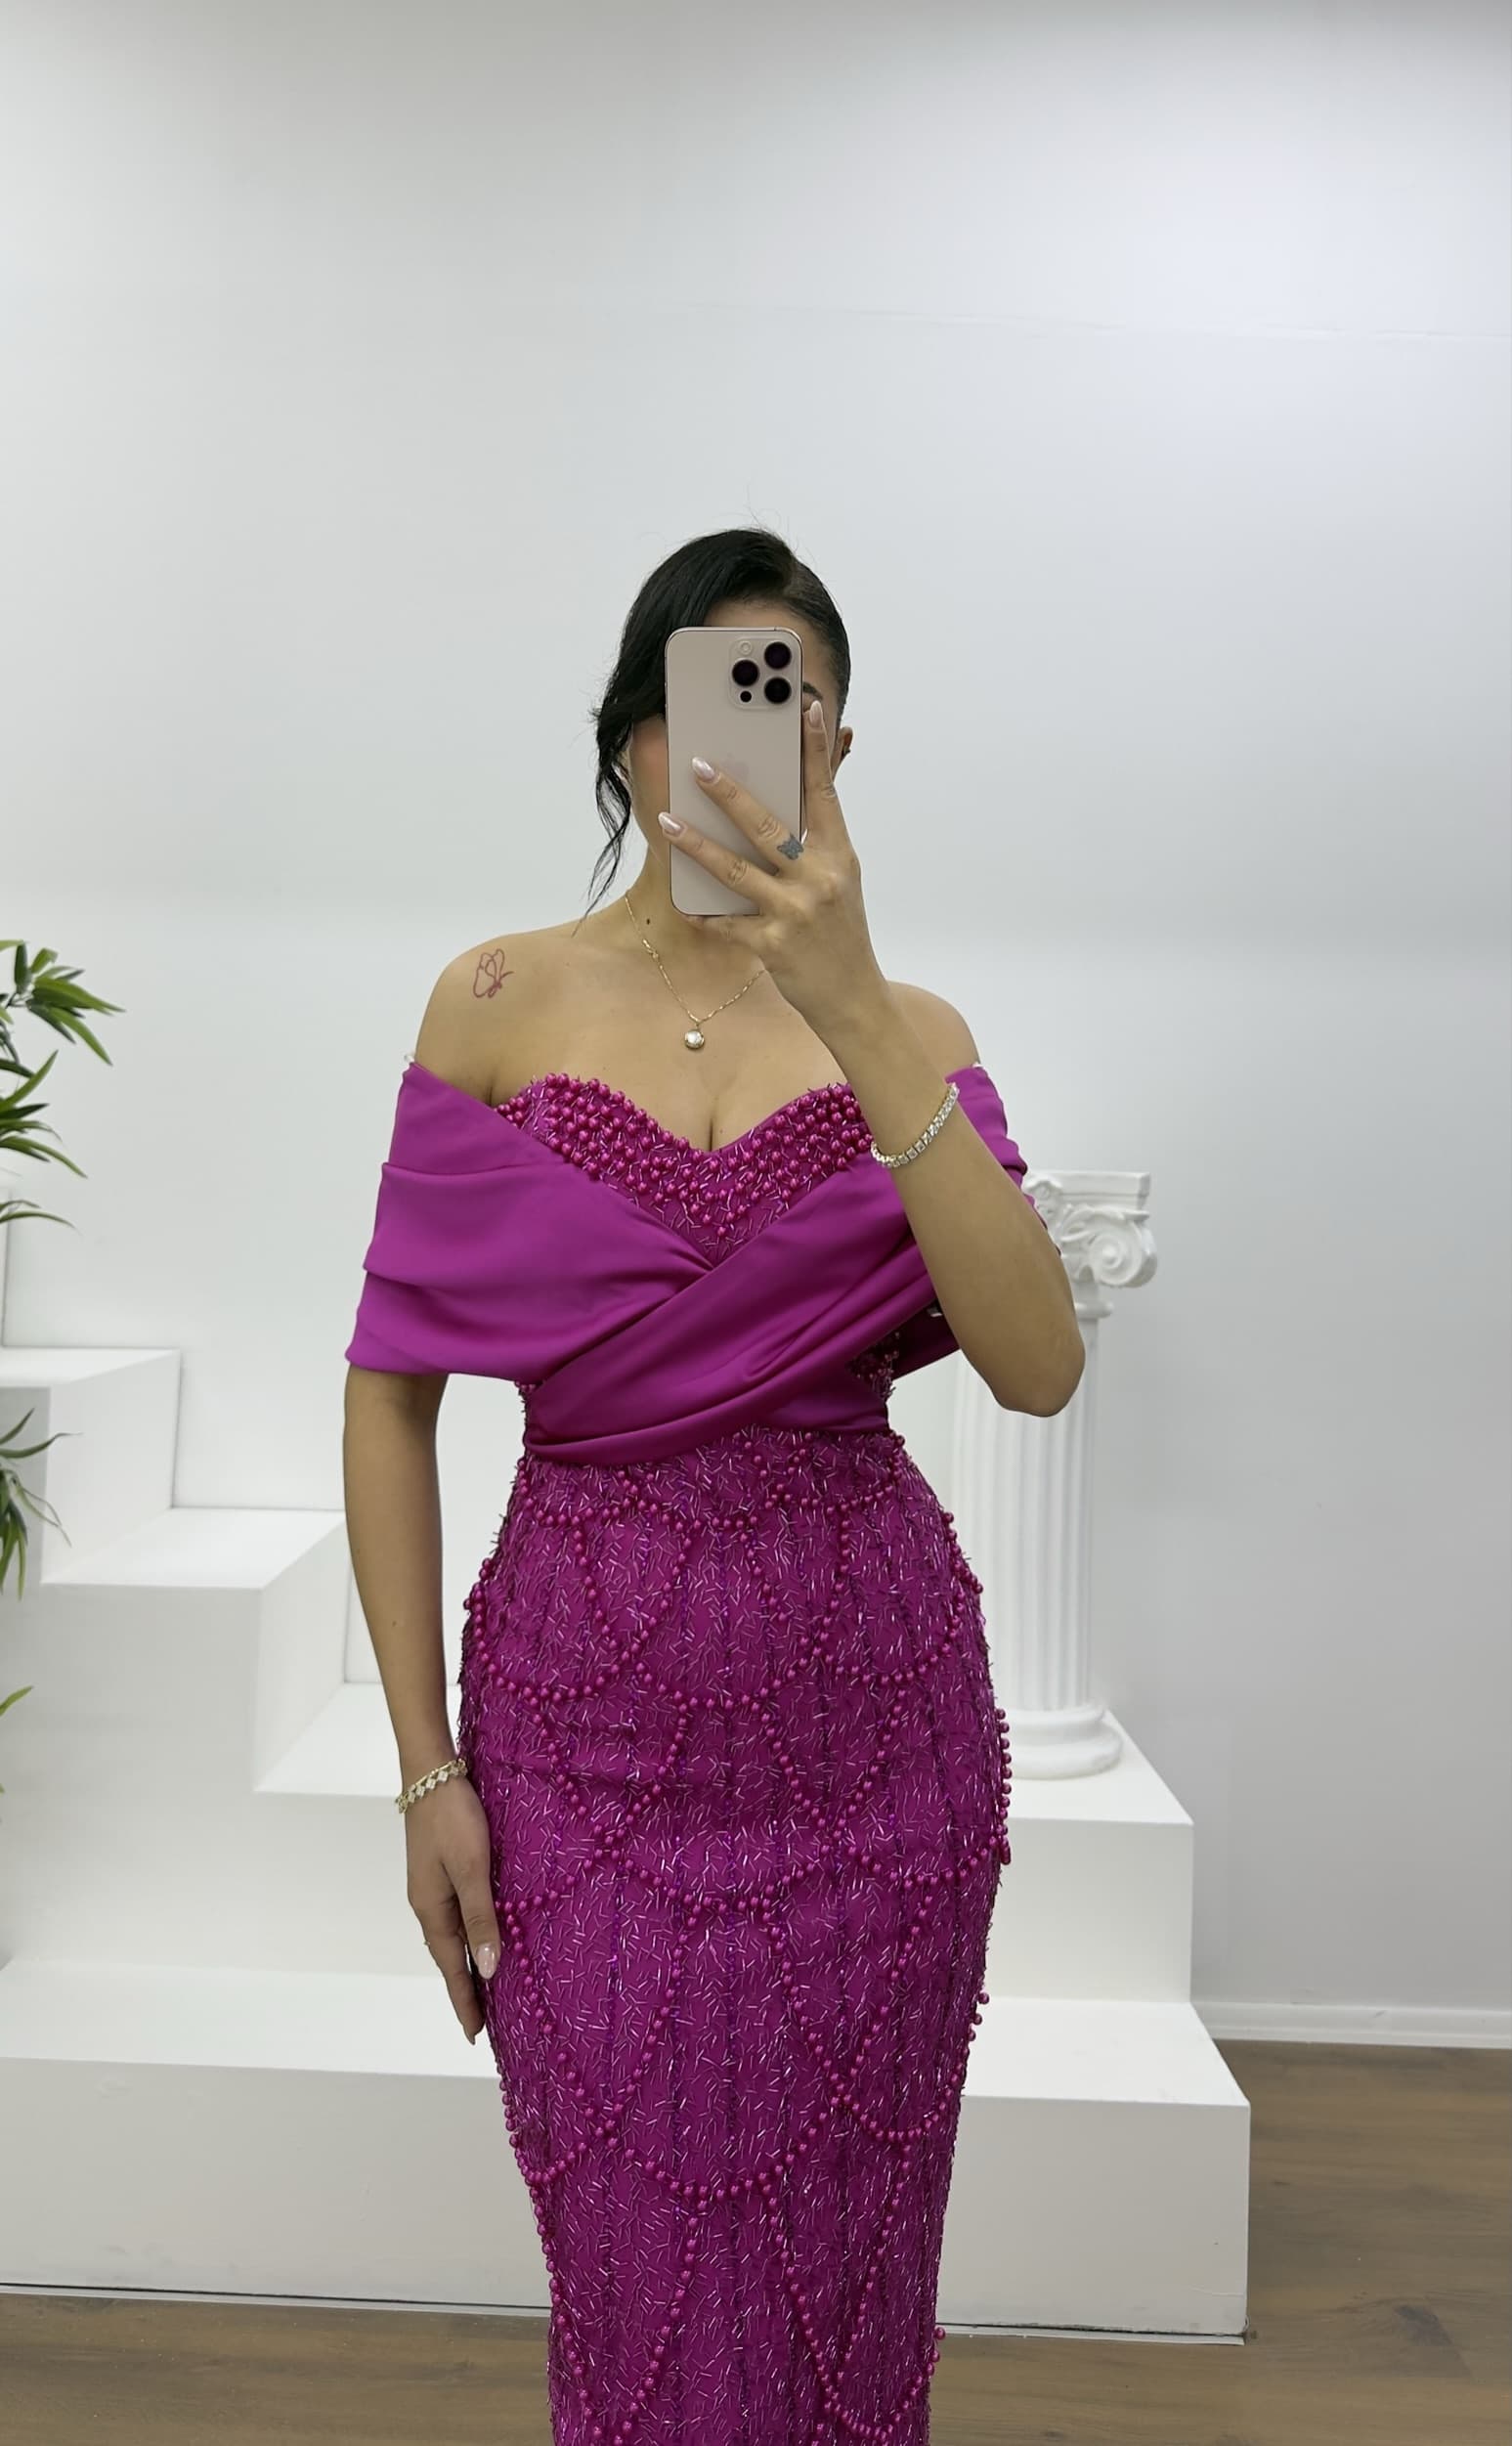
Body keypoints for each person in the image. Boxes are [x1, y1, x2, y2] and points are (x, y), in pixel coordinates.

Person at [342, 527, 1083, 2443]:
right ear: (633, 733)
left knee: (849, 2288)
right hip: (580, 1755)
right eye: (715, 699)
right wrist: (424, 1770)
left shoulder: (915, 1033)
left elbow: (1038, 1364)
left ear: (838, 749)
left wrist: (856, 1009)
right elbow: (388, 1401)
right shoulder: (494, 1000)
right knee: (639, 2289)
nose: (753, 743)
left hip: (878, 1748)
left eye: (796, 704)